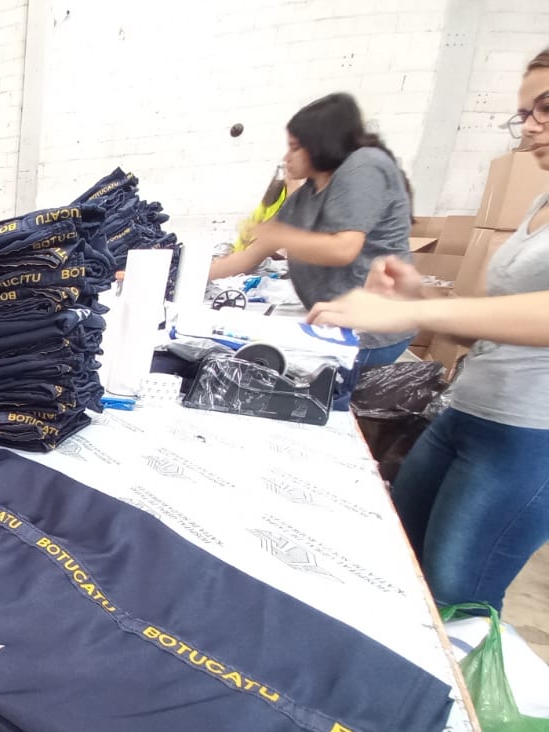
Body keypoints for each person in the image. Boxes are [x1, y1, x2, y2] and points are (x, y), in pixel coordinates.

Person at [308, 46, 549, 613]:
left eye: (546, 107)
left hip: (527, 436)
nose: (530, 127)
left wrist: (413, 315)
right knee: (399, 563)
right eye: (524, 114)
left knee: (455, 600)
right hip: (467, 413)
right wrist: (417, 294)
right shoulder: (540, 203)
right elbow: (492, 327)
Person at [209, 93, 414, 366]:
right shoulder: (304, 197)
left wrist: (281, 235)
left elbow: (343, 249)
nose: (286, 157)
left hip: (367, 334)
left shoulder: (365, 165)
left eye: (294, 148)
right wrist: (175, 274)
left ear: (320, 144)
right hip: (333, 325)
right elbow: (248, 257)